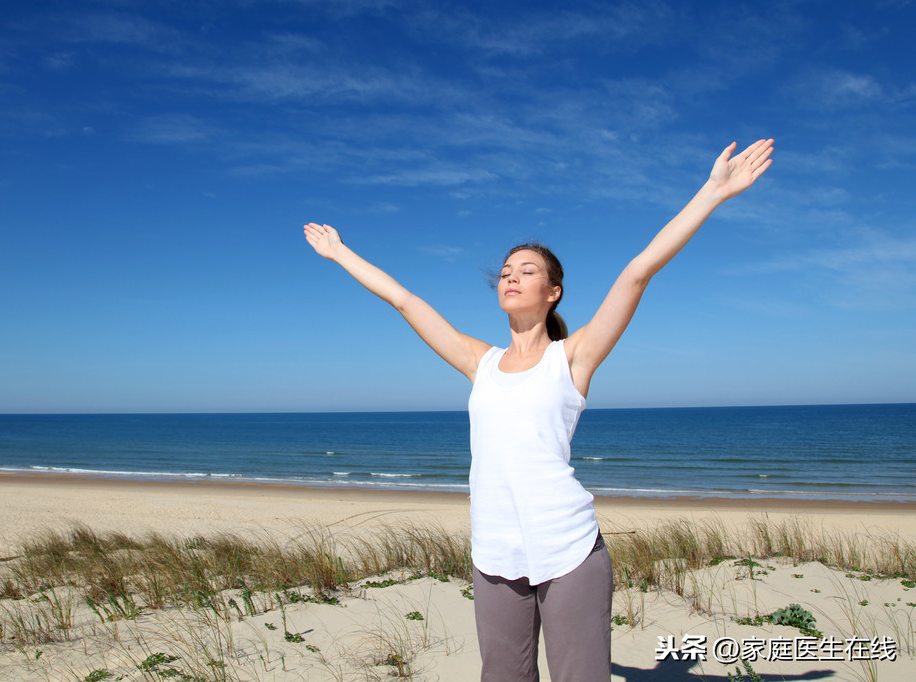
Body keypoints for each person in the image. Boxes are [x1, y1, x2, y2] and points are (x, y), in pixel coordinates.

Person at [303, 138, 774, 681]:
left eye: (526, 271)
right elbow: (405, 300)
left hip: (568, 547)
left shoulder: (572, 359)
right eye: (506, 269)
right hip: (494, 552)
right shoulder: (479, 361)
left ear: (553, 292)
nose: (510, 276)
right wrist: (340, 253)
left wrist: (712, 193)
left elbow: (638, 272)